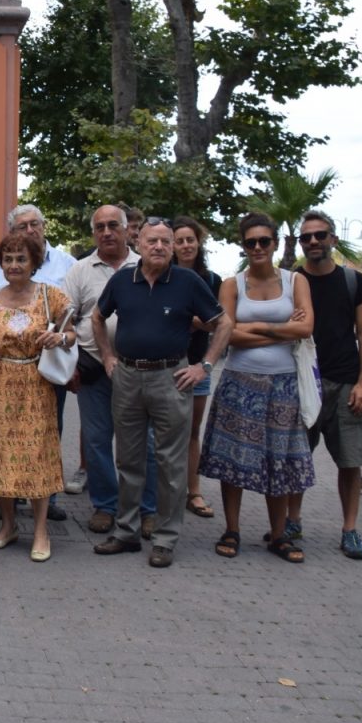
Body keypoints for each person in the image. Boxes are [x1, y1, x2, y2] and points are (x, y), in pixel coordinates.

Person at [92, 216, 232, 568]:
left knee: (170, 462)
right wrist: (107, 357)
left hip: (172, 377)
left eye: (165, 242)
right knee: (128, 458)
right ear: (138, 243)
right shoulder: (123, 280)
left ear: (172, 247)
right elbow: (97, 317)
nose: (159, 247)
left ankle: (165, 539)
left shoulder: (188, 281)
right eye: (152, 241)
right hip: (127, 376)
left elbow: (224, 323)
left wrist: (205, 365)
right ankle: (126, 532)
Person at [199, 213, 315, 562]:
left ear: (276, 243)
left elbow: (306, 327)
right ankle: (232, 529)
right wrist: (278, 327)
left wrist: (254, 328)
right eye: (251, 242)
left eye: (265, 241)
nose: (258, 247)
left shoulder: (295, 282)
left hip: (284, 385)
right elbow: (227, 333)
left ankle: (279, 535)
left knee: (279, 461)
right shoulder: (233, 285)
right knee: (233, 460)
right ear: (244, 246)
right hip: (239, 381)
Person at [0, 233, 75, 562]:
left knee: (37, 457)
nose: (14, 265)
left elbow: (74, 332)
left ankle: (41, 530)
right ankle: (8, 526)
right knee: (0, 455)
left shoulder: (50, 295)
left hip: (35, 384)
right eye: (8, 259)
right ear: (0, 263)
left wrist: (59, 336)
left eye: (20, 259)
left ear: (33, 263)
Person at [63, 205, 157, 535]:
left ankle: (147, 510)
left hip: (138, 370)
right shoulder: (79, 271)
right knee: (97, 441)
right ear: (93, 233)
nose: (106, 232)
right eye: (100, 227)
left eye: (113, 225)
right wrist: (70, 365)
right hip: (92, 369)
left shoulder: (145, 264)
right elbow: (64, 320)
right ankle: (105, 506)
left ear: (127, 229)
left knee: (143, 443)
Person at [290, 210, 362, 560]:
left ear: (332, 239)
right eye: (306, 237)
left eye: (320, 235)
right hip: (303, 382)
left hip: (344, 383)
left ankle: (350, 529)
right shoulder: (293, 281)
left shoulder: (353, 282)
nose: (313, 242)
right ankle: (292, 521)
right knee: (296, 457)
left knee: (350, 461)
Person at [172, 215, 222, 519]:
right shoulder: (164, 275)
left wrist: (187, 320)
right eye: (180, 240)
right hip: (165, 364)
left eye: (190, 239)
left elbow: (216, 321)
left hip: (198, 363)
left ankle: (194, 491)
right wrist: (195, 320)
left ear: (198, 242)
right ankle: (166, 492)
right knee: (161, 432)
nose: (186, 245)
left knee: (192, 431)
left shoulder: (212, 280)